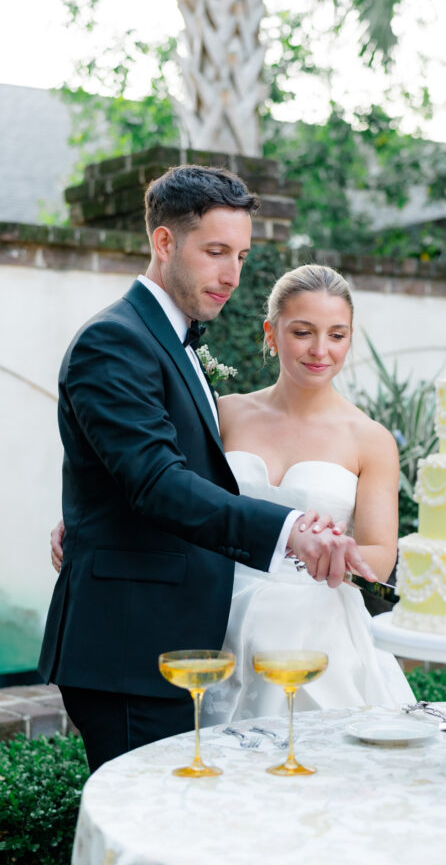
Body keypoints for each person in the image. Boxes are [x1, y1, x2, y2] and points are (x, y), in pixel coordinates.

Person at [39, 165, 376, 773]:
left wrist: (84, 521)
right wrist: (288, 527)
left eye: (242, 255)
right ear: (164, 242)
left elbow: (152, 475)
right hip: (131, 650)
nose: (232, 275)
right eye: (216, 251)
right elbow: (157, 482)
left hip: (182, 643)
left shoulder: (173, 339)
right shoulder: (115, 341)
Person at [204, 263, 414, 720]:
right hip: (216, 615)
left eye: (337, 335)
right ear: (271, 333)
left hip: (317, 631)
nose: (321, 350)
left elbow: (381, 555)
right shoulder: (224, 415)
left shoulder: (370, 438)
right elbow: (172, 494)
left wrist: (338, 551)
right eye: (303, 332)